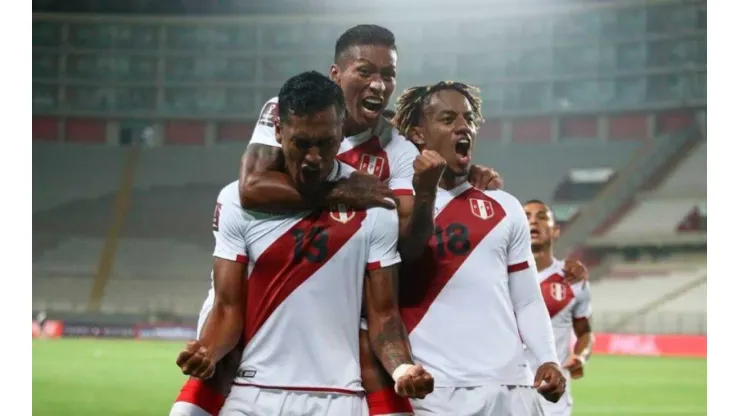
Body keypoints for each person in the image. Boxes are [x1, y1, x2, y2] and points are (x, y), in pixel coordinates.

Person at [171, 24, 503, 416]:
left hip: (343, 286)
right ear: (337, 74)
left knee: (369, 343)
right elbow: (251, 187)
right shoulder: (285, 109)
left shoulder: (395, 148)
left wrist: (457, 178)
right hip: (259, 291)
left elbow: (408, 245)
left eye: (388, 74)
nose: (379, 84)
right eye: (365, 71)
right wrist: (345, 194)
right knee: (230, 343)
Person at [173, 71, 434, 416]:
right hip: (252, 395)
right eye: (301, 143)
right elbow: (227, 308)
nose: (313, 158)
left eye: (325, 143)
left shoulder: (373, 204)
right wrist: (207, 351)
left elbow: (383, 316)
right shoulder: (237, 201)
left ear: (342, 133)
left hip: (339, 398)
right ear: (279, 133)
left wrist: (403, 368)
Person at [388, 81, 566, 415]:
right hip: (437, 393)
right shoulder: (393, 204)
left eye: (468, 118)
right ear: (418, 134)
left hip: (513, 388)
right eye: (447, 118)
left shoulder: (505, 206)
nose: (462, 126)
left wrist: (547, 359)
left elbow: (526, 297)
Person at [523, 200, 595, 416]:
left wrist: (581, 356)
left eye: (542, 216)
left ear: (555, 231)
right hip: (507, 395)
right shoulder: (498, 276)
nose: (533, 221)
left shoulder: (573, 279)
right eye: (526, 217)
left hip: (552, 401)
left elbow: (585, 332)